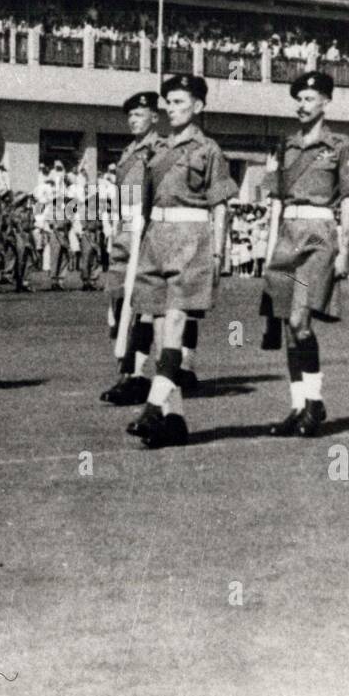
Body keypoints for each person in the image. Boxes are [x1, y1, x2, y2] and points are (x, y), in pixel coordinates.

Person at [127, 75, 238, 447]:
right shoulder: (155, 149)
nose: (171, 109)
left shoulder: (209, 149)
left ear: (198, 107)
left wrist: (219, 253)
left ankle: (154, 405)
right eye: (168, 103)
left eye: (179, 102)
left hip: (191, 240)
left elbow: (221, 207)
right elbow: (144, 203)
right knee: (159, 334)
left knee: (174, 323)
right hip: (155, 240)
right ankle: (175, 420)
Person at [261, 72, 349, 437]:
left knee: (299, 322)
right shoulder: (285, 146)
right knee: (289, 327)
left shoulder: (340, 145)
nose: (302, 105)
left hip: (319, 237)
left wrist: (346, 251)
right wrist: (268, 249)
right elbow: (274, 201)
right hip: (287, 237)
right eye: (299, 98)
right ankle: (298, 405)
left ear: (325, 102)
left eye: (309, 98)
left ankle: (315, 402)